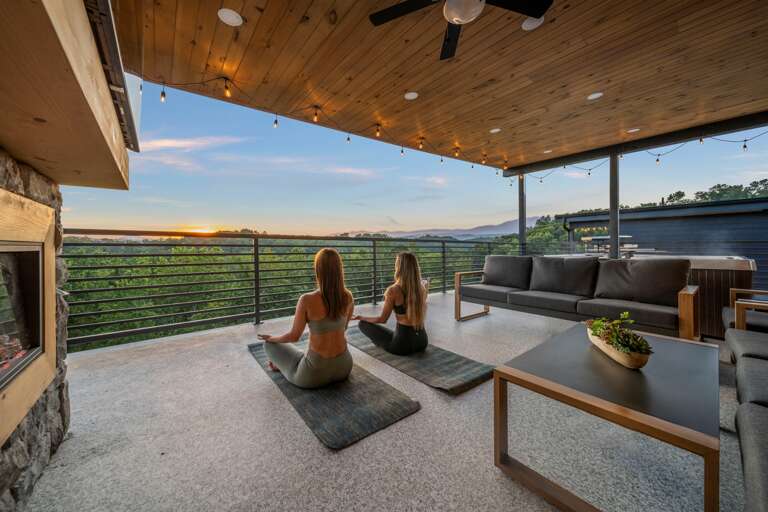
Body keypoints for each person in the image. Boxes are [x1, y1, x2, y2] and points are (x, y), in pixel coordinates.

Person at [258, 248, 353, 389]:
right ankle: (285, 365)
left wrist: (271, 338)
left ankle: (281, 367)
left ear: (318, 270)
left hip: (313, 375)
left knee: (269, 345)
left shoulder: (307, 300)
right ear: (339, 269)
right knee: (299, 354)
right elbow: (343, 328)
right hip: (344, 368)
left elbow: (294, 336)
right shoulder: (348, 296)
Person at [352, 252, 428, 356]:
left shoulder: (393, 290)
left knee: (363, 324)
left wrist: (360, 317)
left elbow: (382, 319)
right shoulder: (422, 288)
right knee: (390, 333)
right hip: (422, 341)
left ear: (399, 268)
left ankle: (380, 342)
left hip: (402, 346)